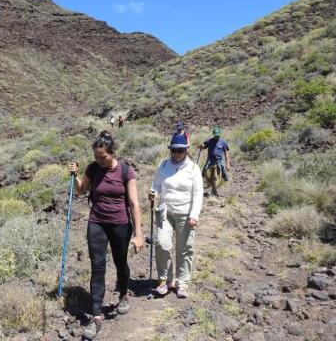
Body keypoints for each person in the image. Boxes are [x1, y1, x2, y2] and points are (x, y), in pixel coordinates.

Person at [67, 131, 144, 340]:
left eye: (103, 157)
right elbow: (81, 191)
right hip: (97, 223)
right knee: (97, 267)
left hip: (120, 224)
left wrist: (138, 233)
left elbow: (134, 204)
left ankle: (124, 294)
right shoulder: (93, 168)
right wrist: (74, 176)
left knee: (121, 263)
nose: (99, 161)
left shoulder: (126, 172)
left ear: (112, 152)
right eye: (96, 157)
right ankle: (96, 316)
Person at [148, 133, 203, 299]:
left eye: (180, 150)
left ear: (186, 150)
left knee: (184, 249)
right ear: (170, 150)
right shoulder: (163, 165)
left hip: (185, 214)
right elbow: (156, 184)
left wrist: (194, 215)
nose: (177, 153)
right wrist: (153, 193)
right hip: (164, 211)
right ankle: (164, 280)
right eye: (174, 150)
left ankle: (182, 283)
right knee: (161, 244)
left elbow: (198, 193)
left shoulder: (193, 168)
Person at [199, 127, 231, 197]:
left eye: (218, 135)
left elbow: (226, 153)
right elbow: (204, 146)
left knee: (215, 177)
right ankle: (206, 183)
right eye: (215, 135)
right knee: (204, 171)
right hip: (210, 161)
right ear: (213, 134)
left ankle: (214, 191)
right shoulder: (209, 141)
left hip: (219, 162)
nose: (217, 136)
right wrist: (202, 146)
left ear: (220, 134)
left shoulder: (223, 142)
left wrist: (227, 164)